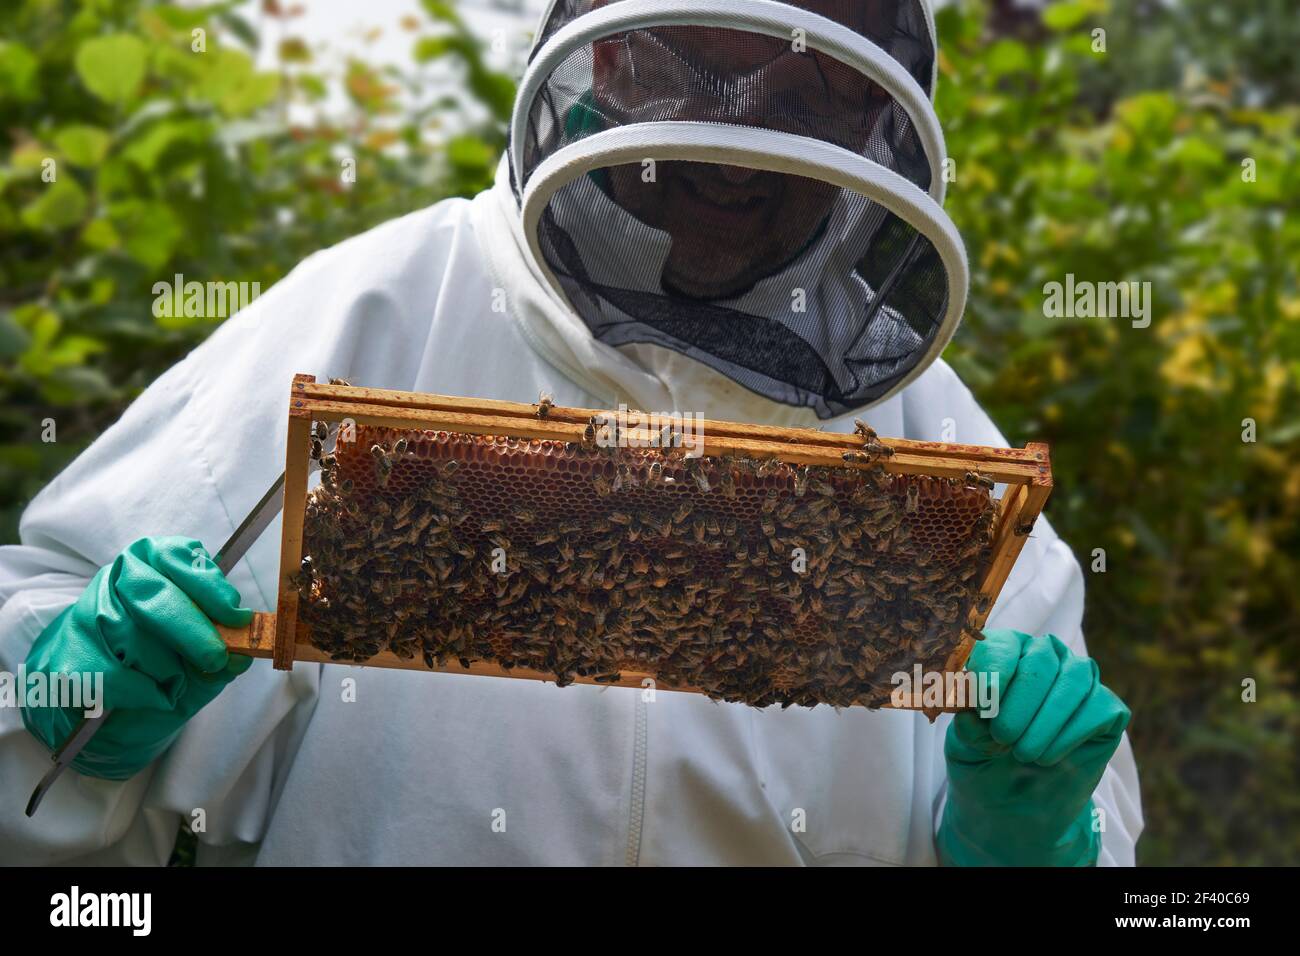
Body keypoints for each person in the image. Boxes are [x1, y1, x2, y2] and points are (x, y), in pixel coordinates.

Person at [0, 0, 1140, 865]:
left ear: (873, 112)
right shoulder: (383, 308)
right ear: (604, 55)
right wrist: (70, 700)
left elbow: (1094, 818)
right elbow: (37, 648)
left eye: (800, 97)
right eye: (692, 72)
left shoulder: (929, 440)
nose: (734, 140)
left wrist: (1028, 830)